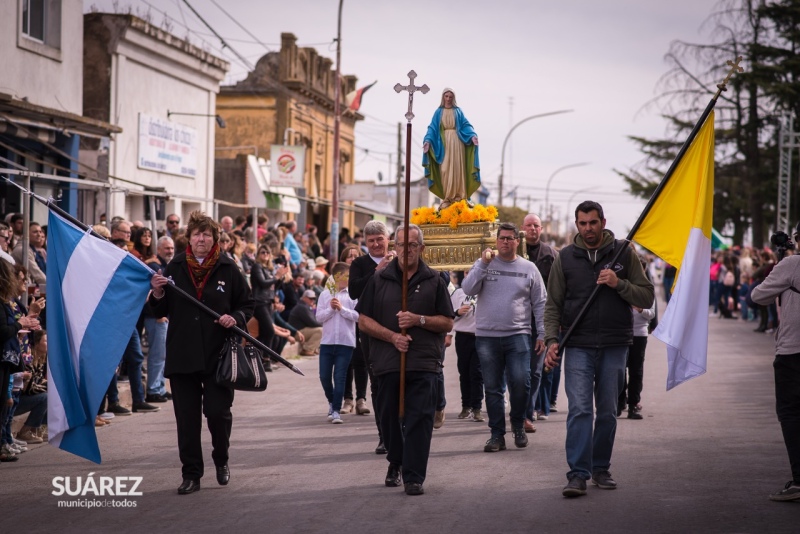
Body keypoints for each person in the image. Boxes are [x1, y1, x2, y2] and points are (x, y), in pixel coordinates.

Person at [544, 201, 654, 498]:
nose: (588, 229)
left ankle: (601, 467)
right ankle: (577, 474)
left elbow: (646, 297)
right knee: (580, 409)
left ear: (603, 222)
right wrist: (552, 341)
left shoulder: (623, 253)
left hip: (615, 344)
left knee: (607, 410)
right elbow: (553, 304)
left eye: (593, 223)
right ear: (576, 225)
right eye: (582, 223)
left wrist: (618, 283)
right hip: (577, 344)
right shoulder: (565, 257)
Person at [149, 211, 255, 495]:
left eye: (206, 234)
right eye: (196, 234)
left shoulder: (228, 268)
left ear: (214, 239)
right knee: (187, 418)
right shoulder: (174, 267)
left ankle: (221, 459)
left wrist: (235, 318)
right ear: (189, 237)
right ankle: (191, 474)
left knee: (218, 413)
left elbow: (247, 305)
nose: (201, 239)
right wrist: (157, 294)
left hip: (217, 355)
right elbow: (159, 310)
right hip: (182, 354)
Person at [356, 223, 454, 496]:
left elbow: (447, 322)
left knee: (419, 420)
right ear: (393, 247)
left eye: (412, 245)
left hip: (423, 363)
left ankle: (413, 475)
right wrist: (391, 336)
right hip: (387, 361)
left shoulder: (434, 280)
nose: (406, 250)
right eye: (401, 244)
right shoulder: (379, 279)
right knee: (388, 418)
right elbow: (363, 320)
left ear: (421, 248)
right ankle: (396, 461)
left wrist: (418, 320)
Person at [462, 222, 547, 452]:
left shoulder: (529, 268)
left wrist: (542, 333)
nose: (506, 242)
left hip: (518, 335)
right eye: (502, 238)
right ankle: (496, 435)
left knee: (521, 382)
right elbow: (467, 289)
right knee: (492, 388)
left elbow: (540, 303)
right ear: (496, 241)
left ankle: (518, 425)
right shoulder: (484, 264)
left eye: (510, 238)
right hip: (487, 337)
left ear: (517, 242)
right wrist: (482, 264)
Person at [751, 227, 800, 502]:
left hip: (793, 351)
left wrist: (780, 269)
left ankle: (799, 480)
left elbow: (758, 296)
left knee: (791, 414)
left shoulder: (792, 264)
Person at [348, 220, 397, 454]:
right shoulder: (359, 263)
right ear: (365, 243)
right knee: (377, 382)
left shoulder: (400, 259)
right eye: (371, 241)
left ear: (389, 239)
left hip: (398, 326)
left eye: (380, 239)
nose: (377, 244)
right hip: (370, 328)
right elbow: (354, 291)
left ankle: (402, 430)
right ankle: (384, 435)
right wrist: (376, 272)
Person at [521, 213, 558, 430]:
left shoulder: (551, 255)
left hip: (540, 321)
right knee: (517, 372)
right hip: (515, 320)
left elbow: (557, 291)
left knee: (535, 371)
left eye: (536, 225)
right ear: (522, 228)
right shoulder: (513, 252)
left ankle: (527, 413)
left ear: (541, 229)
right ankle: (520, 409)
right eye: (529, 225)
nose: (532, 229)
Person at [422, 88, 481, 209]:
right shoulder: (438, 112)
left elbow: (466, 125)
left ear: (453, 98)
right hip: (443, 145)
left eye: (450, 97)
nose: (448, 99)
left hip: (458, 143)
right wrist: (427, 141)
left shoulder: (458, 111)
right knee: (444, 170)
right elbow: (432, 128)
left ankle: (461, 197)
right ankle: (447, 198)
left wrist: (472, 136)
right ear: (443, 97)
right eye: (446, 96)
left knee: (458, 169)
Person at [316, 262, 359, 424]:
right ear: (337, 277)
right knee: (324, 376)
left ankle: (335, 410)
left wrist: (342, 309)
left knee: (339, 377)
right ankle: (331, 402)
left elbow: (358, 316)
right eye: (347, 276)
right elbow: (319, 317)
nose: (349, 279)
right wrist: (331, 309)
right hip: (327, 342)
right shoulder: (325, 295)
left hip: (346, 342)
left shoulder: (352, 295)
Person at [618, 252, 656, 420]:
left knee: (636, 371)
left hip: (639, 334)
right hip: (620, 333)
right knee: (619, 370)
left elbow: (651, 313)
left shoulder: (646, 288)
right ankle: (619, 402)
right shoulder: (622, 285)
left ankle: (634, 404)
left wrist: (641, 309)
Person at [447, 270, 484, 422]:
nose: (471, 275)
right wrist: (457, 312)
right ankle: (466, 405)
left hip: (480, 336)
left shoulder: (484, 289)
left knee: (477, 373)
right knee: (464, 372)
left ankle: (477, 407)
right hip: (463, 336)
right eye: (468, 272)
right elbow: (448, 313)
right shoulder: (458, 293)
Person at [288, 290, 323, 356]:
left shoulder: (305, 306)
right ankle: (307, 349)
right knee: (321, 330)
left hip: (300, 331)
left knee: (320, 329)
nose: (313, 300)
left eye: (314, 299)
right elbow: (312, 323)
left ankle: (313, 349)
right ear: (304, 298)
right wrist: (323, 325)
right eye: (311, 298)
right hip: (297, 333)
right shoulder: (302, 307)